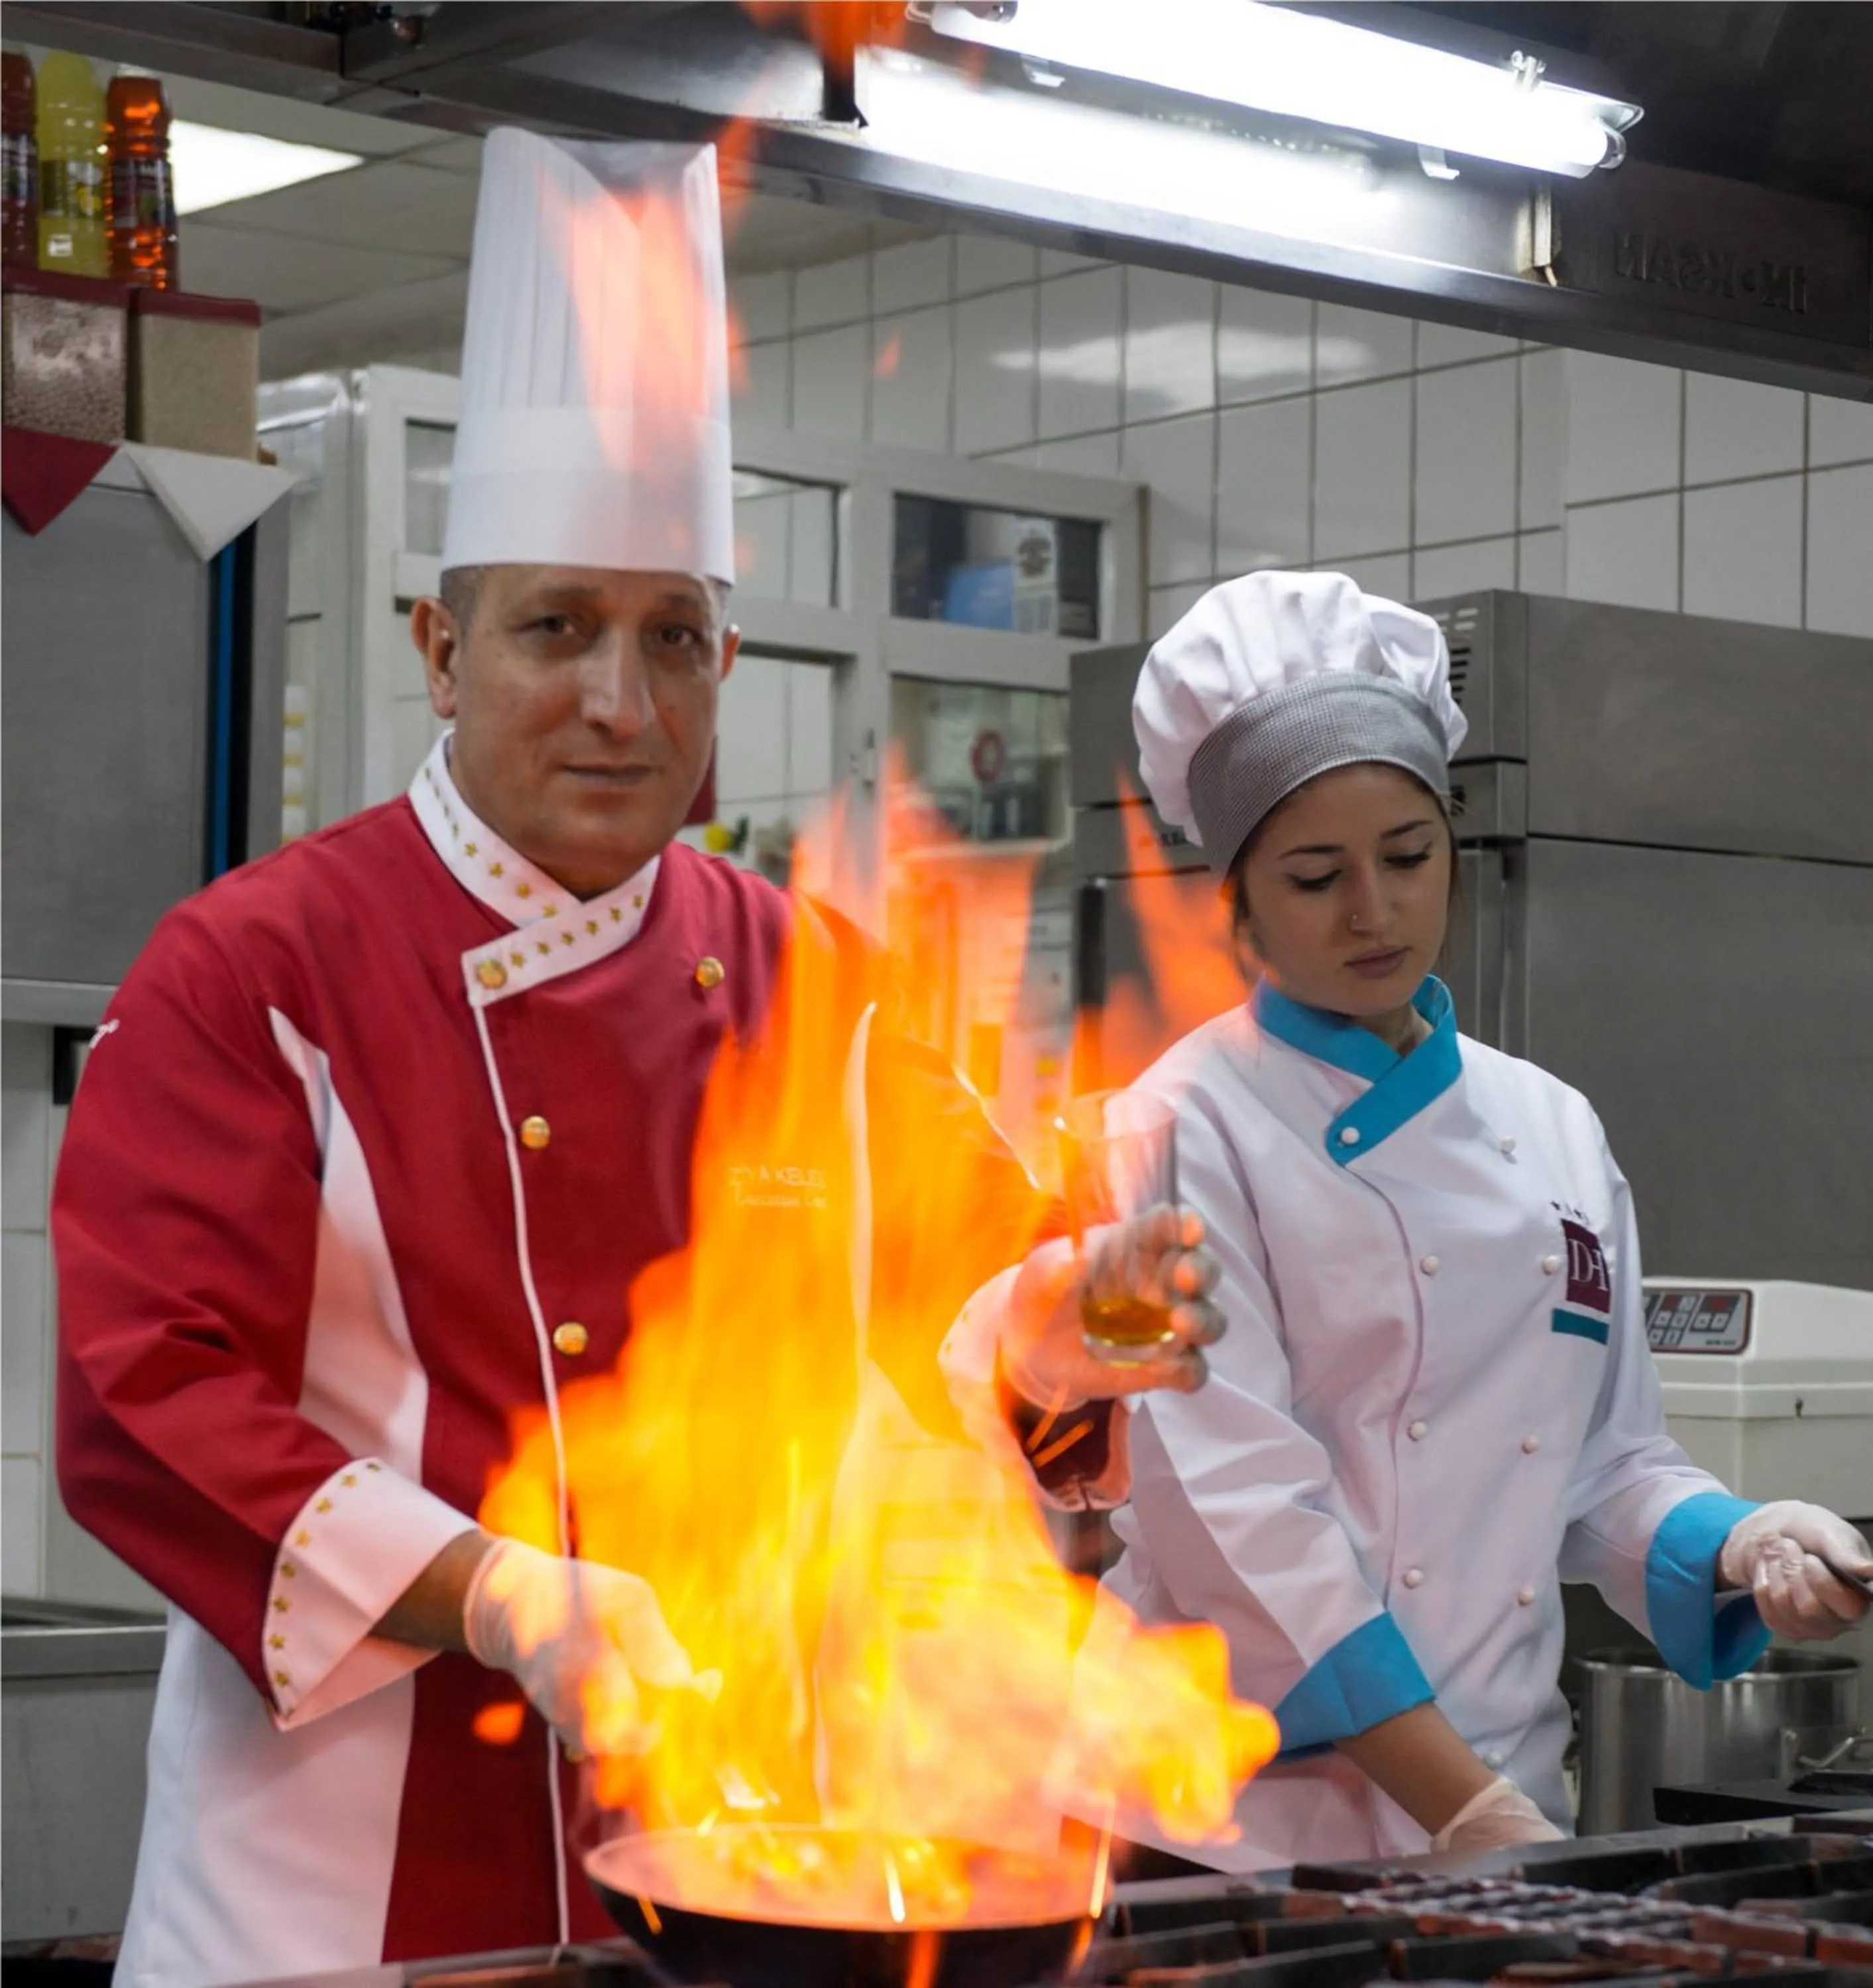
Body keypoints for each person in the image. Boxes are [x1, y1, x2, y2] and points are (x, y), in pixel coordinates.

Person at [52, 131, 1220, 1987]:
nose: (622, 701)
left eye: (673, 638)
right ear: (440, 649)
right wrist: (496, 1592)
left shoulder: (816, 980)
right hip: (327, 1901)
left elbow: (958, 1315)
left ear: (726, 664)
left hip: (735, 1875)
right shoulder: (258, 973)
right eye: (556, 631)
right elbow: (147, 1405)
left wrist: (1064, 1321)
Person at [1101, 569, 1871, 1871]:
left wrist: (1741, 1539)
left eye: (1407, 858)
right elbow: (1239, 1521)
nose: (1373, 910)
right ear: (1235, 905)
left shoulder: (1554, 1129)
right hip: (1227, 1832)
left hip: (1498, 1810)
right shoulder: (1180, 1127)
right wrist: (1464, 1805)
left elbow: (1604, 1464)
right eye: (1313, 876)